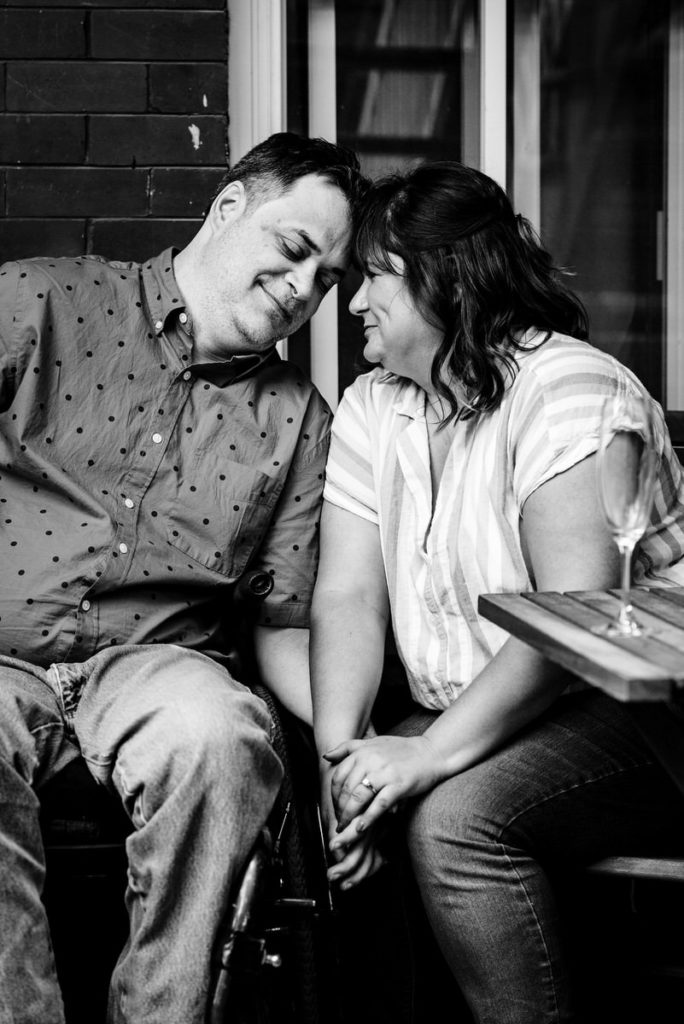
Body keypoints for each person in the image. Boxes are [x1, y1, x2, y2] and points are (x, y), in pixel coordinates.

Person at [0, 131, 368, 1024]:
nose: (302, 290)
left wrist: (347, 749)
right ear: (230, 205)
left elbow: (283, 619)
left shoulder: (299, 420)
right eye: (293, 250)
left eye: (326, 280)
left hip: (158, 667)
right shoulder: (37, 300)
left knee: (223, 741)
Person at [310, 161, 684, 1024]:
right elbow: (348, 599)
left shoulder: (567, 390)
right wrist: (344, 758)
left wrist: (427, 756)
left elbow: (574, 620)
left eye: (374, 278)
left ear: (446, 282)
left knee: (455, 821)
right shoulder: (375, 405)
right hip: (490, 706)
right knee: (340, 791)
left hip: (638, 712)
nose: (353, 302)